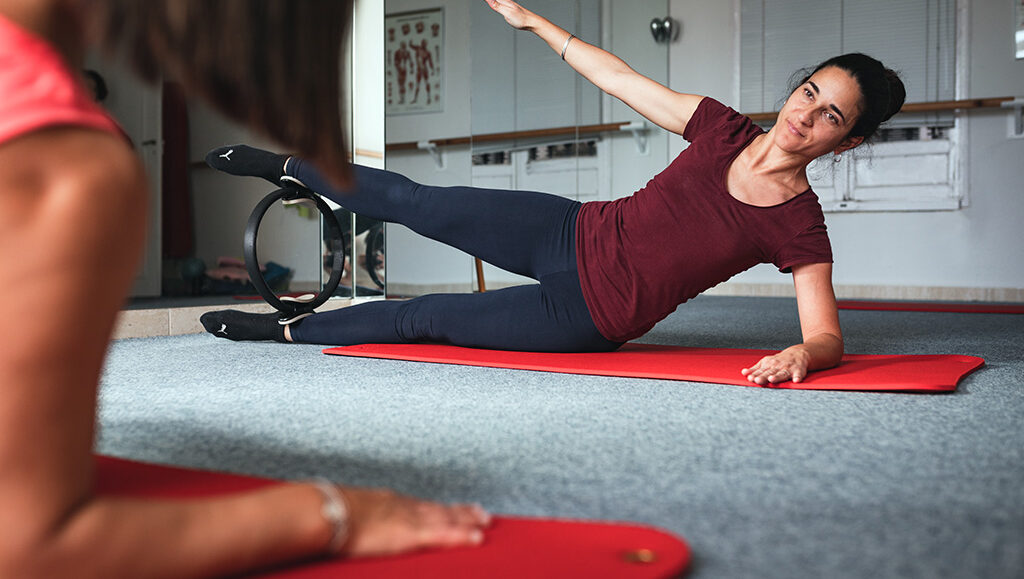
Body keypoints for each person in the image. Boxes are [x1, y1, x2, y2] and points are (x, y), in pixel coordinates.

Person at [0, 1, 489, 577]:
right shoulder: (66, 168)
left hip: (597, 302)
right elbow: (28, 545)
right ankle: (282, 282)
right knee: (422, 248)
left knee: (433, 311)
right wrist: (332, 512)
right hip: (581, 240)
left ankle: (280, 319)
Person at [200, 0, 905, 389]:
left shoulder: (800, 225)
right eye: (810, 91)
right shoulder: (722, 129)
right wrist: (539, 24)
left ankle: (285, 329)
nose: (804, 115)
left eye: (830, 116)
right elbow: (625, 82)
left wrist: (804, 357)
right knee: (421, 200)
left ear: (846, 142)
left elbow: (826, 332)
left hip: (586, 313)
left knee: (424, 317)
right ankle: (289, 166)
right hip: (569, 229)